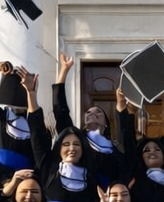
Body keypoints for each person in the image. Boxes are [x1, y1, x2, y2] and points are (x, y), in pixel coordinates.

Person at [52, 52, 127, 187]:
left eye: (98, 112)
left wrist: (121, 105)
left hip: (110, 199)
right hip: (82, 194)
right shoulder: (77, 139)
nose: (92, 113)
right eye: (88, 112)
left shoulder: (115, 146)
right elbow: (60, 112)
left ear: (106, 123)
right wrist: (64, 71)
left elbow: (126, 135)